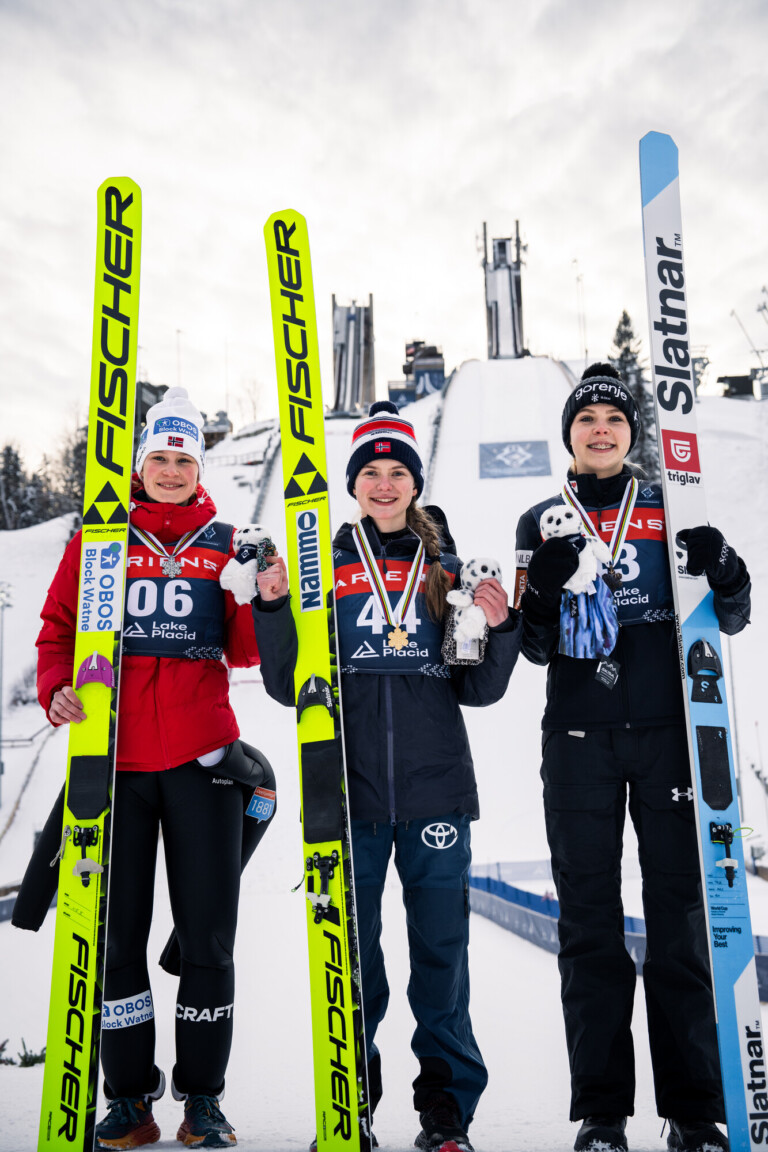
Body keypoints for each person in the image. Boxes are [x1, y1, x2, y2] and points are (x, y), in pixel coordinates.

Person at [255, 400, 522, 1152]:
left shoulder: (448, 570)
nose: (382, 484)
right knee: (354, 960)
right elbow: (285, 683)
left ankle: (446, 1115)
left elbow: (478, 688)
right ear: (353, 484)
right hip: (347, 793)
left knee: (441, 961)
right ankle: (351, 1108)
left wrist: (497, 630)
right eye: (369, 472)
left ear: (415, 482)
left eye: (395, 471)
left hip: (437, 789)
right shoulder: (323, 570)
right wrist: (274, 608)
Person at [34, 387, 291, 1151]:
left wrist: (266, 596)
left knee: (209, 938)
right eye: (160, 458)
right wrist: (57, 689)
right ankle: (129, 1099)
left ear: (199, 465)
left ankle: (203, 1100)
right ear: (140, 465)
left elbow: (245, 647)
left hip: (201, 761)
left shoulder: (226, 540)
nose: (172, 470)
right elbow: (58, 626)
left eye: (184, 458)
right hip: (113, 768)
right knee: (117, 940)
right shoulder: (102, 540)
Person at [515, 363, 751, 1152]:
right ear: (570, 436)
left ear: (633, 433)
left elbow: (735, 613)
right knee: (588, 924)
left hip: (667, 736)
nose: (602, 429)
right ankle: (603, 1114)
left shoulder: (672, 505)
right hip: (577, 741)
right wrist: (542, 589)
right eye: (587, 421)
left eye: (615, 418)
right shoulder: (541, 520)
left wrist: (725, 567)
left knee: (680, 922)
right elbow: (538, 648)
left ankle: (694, 1111)